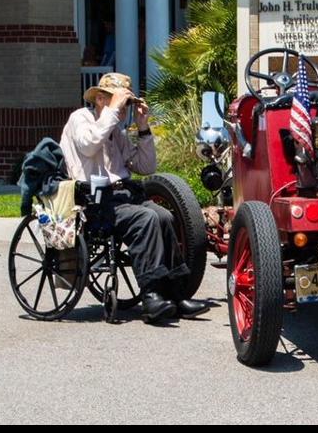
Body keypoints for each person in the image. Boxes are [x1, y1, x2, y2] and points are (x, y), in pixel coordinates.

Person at [59, 72, 209, 324]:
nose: (123, 108)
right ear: (99, 98)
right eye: (119, 101)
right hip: (93, 200)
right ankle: (150, 295)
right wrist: (112, 111)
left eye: (125, 103)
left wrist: (142, 127)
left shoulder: (115, 131)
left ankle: (175, 293)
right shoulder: (81, 119)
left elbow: (145, 166)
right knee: (146, 218)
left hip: (121, 194)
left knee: (164, 216)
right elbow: (88, 145)